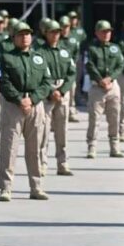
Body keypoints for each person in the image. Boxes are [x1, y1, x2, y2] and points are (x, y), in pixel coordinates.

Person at [0, 21, 51, 201]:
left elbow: (46, 82)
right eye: (20, 34)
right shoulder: (6, 58)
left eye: (27, 33)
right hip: (13, 106)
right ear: (13, 38)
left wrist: (33, 99)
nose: (25, 37)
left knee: (35, 148)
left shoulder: (40, 57)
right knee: (9, 147)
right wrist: (19, 99)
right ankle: (5, 188)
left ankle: (36, 186)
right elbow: (3, 82)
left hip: (35, 105)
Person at [37, 19, 76, 177]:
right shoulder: (39, 52)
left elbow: (71, 72)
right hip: (47, 95)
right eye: (52, 32)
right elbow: (37, 74)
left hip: (62, 94)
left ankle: (62, 163)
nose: (55, 35)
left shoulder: (64, 51)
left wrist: (63, 90)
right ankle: (42, 164)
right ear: (45, 33)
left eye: (58, 32)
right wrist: (49, 92)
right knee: (44, 131)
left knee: (62, 132)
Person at [83, 20, 124, 159]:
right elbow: (89, 65)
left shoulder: (115, 48)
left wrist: (110, 78)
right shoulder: (91, 48)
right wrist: (101, 80)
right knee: (94, 118)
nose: (107, 34)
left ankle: (114, 147)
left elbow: (120, 64)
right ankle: (92, 147)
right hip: (97, 87)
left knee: (114, 117)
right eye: (103, 31)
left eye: (108, 31)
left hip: (112, 86)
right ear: (97, 33)